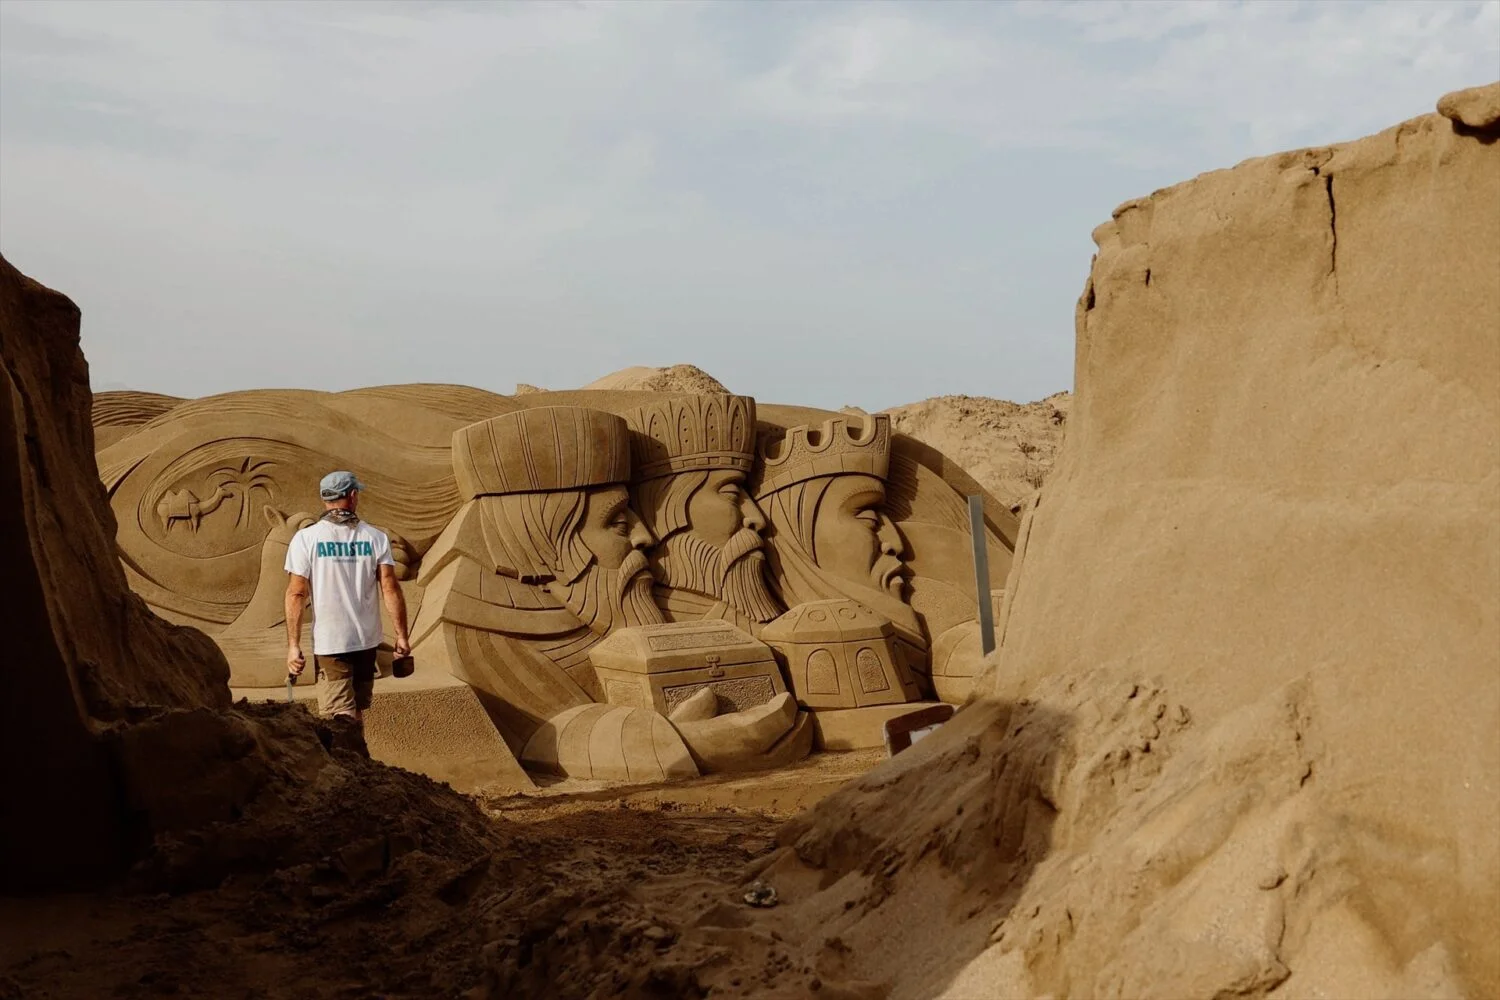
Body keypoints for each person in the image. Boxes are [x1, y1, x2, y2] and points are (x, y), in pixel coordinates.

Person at [284, 470, 410, 723]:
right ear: (352, 496)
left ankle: (349, 749)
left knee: (341, 716)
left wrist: (294, 646)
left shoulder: (305, 539)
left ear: (324, 499)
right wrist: (402, 636)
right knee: (356, 712)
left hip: (331, 642)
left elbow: (297, 593)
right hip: (366, 640)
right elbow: (390, 588)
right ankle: (358, 748)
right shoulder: (375, 537)